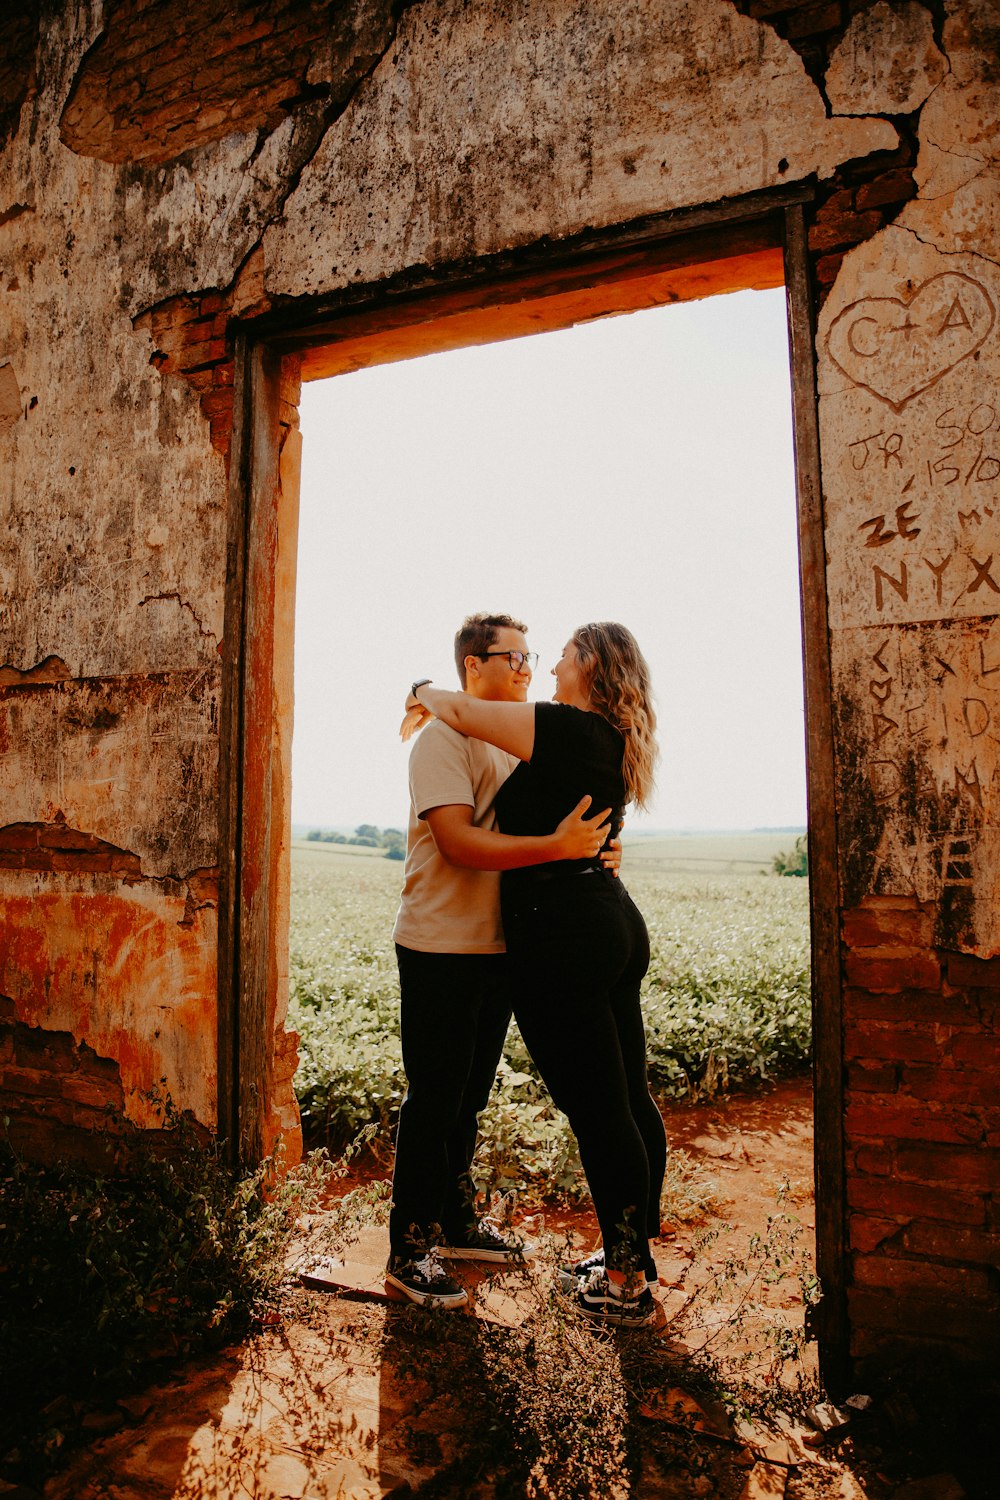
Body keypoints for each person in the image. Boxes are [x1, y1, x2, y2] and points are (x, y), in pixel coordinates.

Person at [402, 622, 667, 1326]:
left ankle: (625, 1276)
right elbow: (473, 833)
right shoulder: (582, 737)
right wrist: (581, 852)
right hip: (582, 924)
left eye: (547, 656)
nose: (537, 666)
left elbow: (462, 714)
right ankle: (629, 1254)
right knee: (620, 1097)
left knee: (601, 1108)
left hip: (566, 937)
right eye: (517, 655)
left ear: (592, 669)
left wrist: (420, 690)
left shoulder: (561, 727)